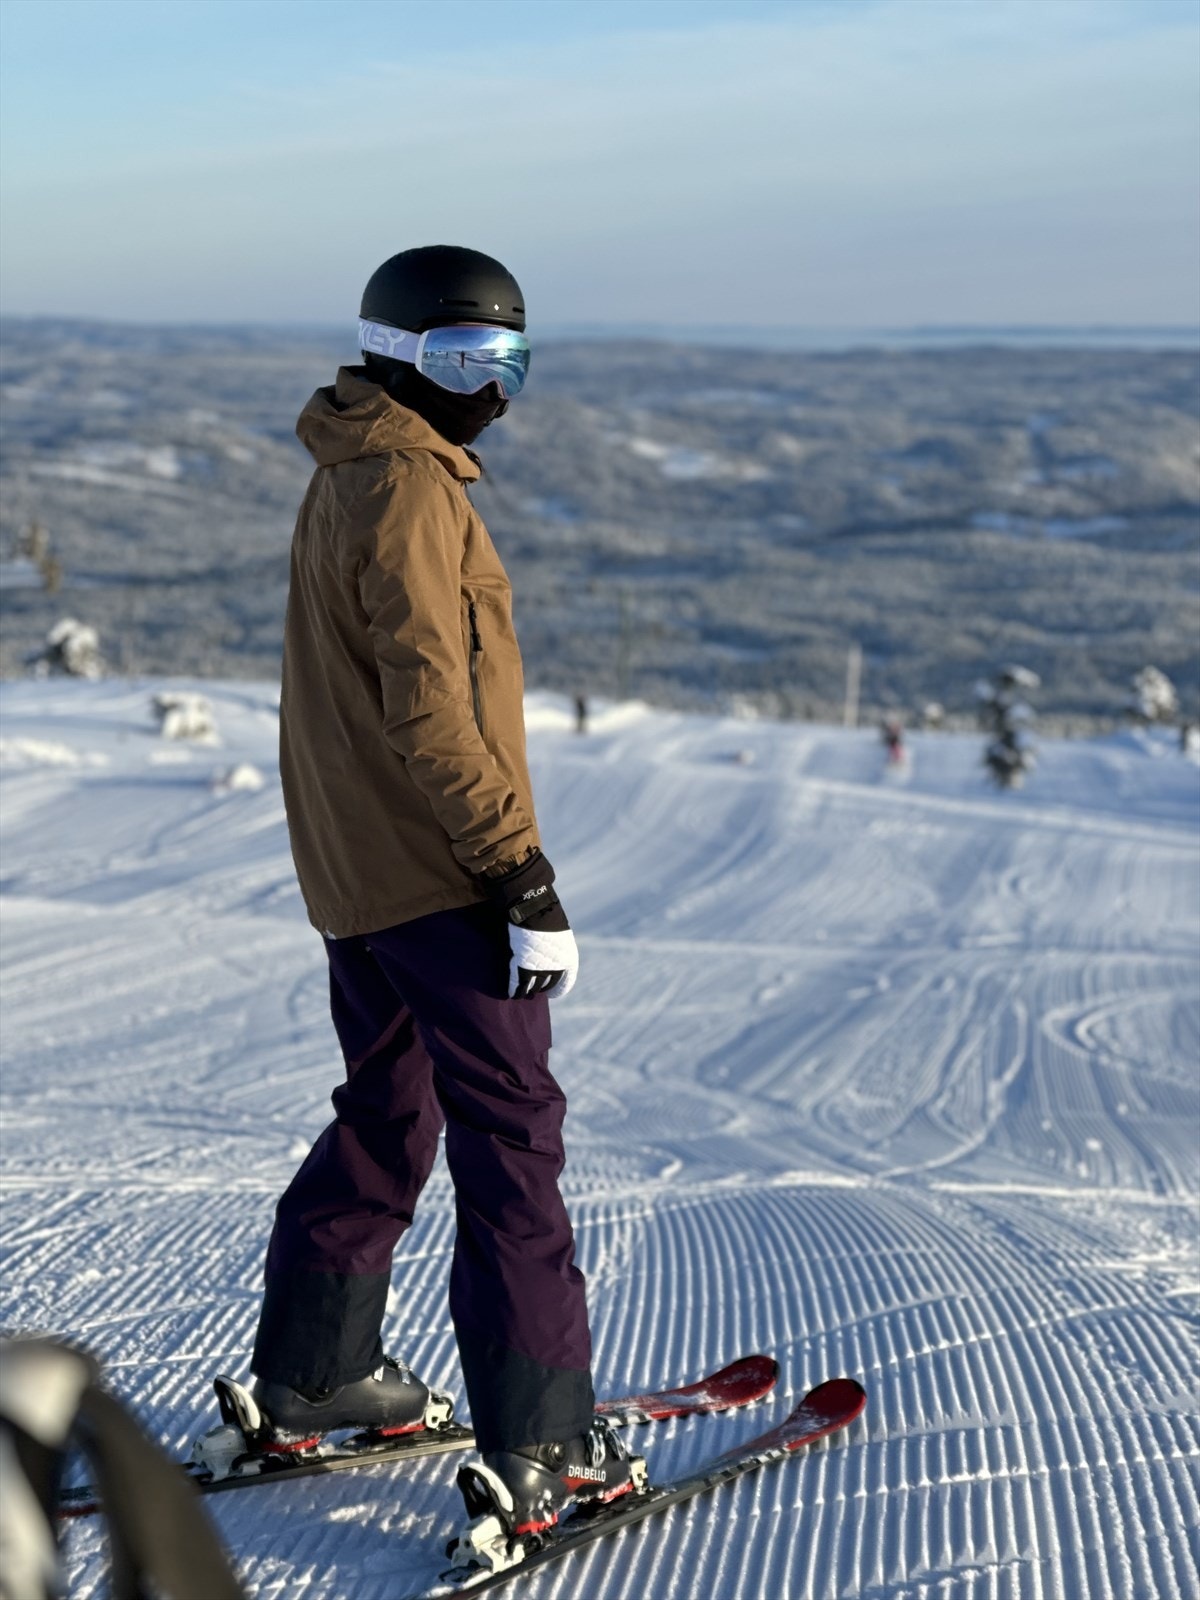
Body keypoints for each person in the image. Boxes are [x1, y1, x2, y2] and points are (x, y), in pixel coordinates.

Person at [242, 245, 640, 1538]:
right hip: (437, 875)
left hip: (361, 876)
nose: (497, 392)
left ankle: (319, 1371)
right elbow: (431, 709)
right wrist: (520, 872)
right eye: (470, 363)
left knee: (389, 1111)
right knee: (513, 1140)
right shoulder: (411, 488)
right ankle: (545, 1444)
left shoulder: (351, 469)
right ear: (401, 355)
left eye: (512, 363)